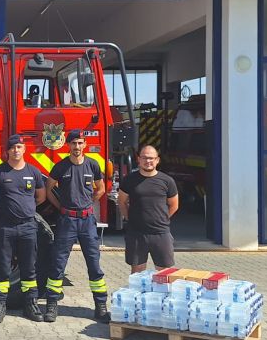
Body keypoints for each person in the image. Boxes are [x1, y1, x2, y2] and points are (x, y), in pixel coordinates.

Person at [44, 129, 109, 323]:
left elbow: (101, 188)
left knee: (94, 264)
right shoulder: (60, 167)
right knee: (58, 263)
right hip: (67, 221)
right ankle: (52, 305)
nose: (77, 147)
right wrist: (62, 207)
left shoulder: (93, 165)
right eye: (74, 144)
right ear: (68, 145)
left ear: (84, 145)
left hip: (87, 221)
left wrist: (89, 202)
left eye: (80, 143)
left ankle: (101, 306)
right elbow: (49, 189)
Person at [0, 133, 46, 323]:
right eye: (12, 148)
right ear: (7, 151)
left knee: (29, 268)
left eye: (19, 147)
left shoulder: (34, 172)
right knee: (3, 267)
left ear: (24, 149)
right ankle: (0, 304)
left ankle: (31, 304)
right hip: (5, 226)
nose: (16, 150)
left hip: (28, 226)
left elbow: (40, 197)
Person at [118, 144, 179, 274]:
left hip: (161, 233)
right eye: (144, 158)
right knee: (137, 273)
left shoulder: (167, 181)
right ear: (138, 159)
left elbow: (174, 205)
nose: (148, 161)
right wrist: (130, 218)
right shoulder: (129, 180)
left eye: (151, 158)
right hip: (136, 233)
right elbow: (122, 202)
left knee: (165, 273)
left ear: (157, 160)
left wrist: (163, 218)